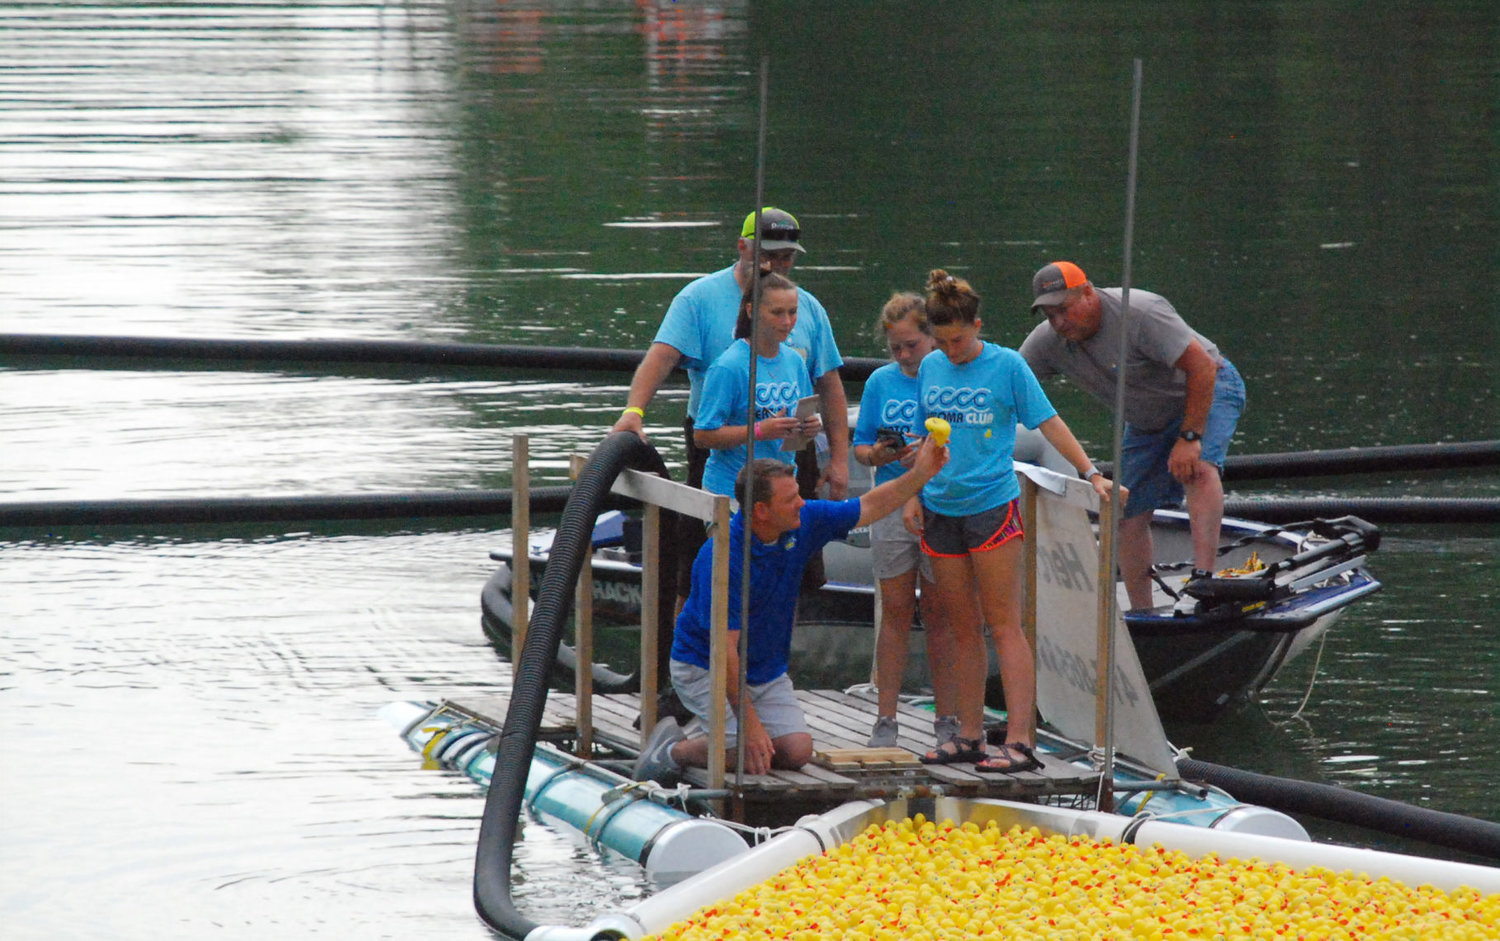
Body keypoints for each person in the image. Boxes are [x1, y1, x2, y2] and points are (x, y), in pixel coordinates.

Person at [634, 438, 949, 783]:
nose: (802, 503)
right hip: (704, 665)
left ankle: (712, 731)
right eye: (791, 499)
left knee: (796, 751)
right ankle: (672, 750)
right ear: (761, 512)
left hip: (764, 670)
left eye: (798, 494)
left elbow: (870, 505)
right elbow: (724, 652)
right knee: (746, 756)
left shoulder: (805, 521)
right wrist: (751, 727)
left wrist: (921, 475)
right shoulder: (723, 556)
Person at [912, 269, 1119, 774]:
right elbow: (929, 437)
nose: (951, 350)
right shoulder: (931, 368)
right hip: (941, 507)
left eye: (959, 339)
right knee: (963, 628)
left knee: (1004, 626)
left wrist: (1091, 473)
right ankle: (969, 734)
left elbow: (1049, 421)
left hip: (991, 506)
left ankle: (1022, 740)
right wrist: (913, 492)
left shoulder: (1006, 367)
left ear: (977, 326)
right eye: (941, 342)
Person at [610, 208, 850, 604]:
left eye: (787, 257)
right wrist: (633, 412)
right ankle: (701, 647)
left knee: (792, 563)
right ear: (742, 247)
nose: (776, 264)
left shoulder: (806, 309)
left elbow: (830, 385)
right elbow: (661, 358)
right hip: (722, 450)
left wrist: (837, 459)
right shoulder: (699, 299)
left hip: (789, 449)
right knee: (708, 566)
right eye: (767, 254)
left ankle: (776, 650)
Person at [1018, 261, 1246, 612]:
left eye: (1064, 309)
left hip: (1206, 388)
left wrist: (1189, 436)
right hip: (1146, 419)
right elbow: (1007, 385)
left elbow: (1201, 367)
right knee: (1123, 508)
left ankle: (1205, 579)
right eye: (1049, 315)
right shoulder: (1048, 342)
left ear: (1089, 292)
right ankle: (1141, 612)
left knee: (1197, 467)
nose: (1059, 322)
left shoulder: (1141, 312)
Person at [850, 292, 957, 749]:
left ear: (932, 337)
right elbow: (862, 445)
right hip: (893, 503)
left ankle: (948, 717)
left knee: (940, 616)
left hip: (942, 503)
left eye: (912, 344)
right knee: (895, 611)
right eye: (896, 348)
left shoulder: (949, 379)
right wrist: (876, 454)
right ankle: (886, 718)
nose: (904, 355)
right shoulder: (879, 382)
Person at [693, 271, 819, 498]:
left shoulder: (795, 362)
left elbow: (802, 420)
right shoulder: (729, 367)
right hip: (730, 490)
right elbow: (702, 436)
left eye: (792, 312)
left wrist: (810, 427)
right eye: (777, 313)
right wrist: (759, 430)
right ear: (751, 311)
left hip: (780, 490)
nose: (787, 322)